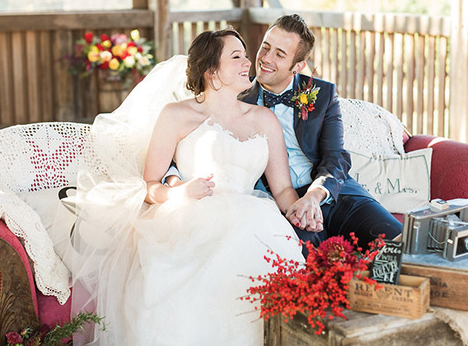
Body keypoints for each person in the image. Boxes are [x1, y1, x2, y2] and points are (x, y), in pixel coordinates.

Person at [67, 28, 304, 345]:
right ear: (211, 70)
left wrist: (304, 206)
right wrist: (179, 193)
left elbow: (284, 191)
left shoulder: (264, 120)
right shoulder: (177, 115)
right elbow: (150, 186)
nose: (249, 62)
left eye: (245, 55)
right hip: (190, 222)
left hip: (254, 224)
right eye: (237, 56)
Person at [237, 14, 402, 249]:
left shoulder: (322, 94)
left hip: (333, 193)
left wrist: (314, 196)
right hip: (280, 202)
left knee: (398, 244)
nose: (266, 58)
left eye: (279, 54)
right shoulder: (238, 97)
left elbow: (335, 157)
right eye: (265, 47)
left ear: (298, 66)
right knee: (303, 260)